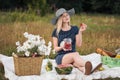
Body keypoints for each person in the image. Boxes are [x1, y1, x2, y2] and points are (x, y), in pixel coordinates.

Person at [51, 8, 101, 75]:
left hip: (73, 56)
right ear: (60, 19)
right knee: (75, 54)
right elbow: (56, 49)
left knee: (75, 61)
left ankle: (84, 70)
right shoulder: (56, 32)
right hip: (62, 57)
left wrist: (80, 32)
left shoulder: (75, 29)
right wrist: (62, 47)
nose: (66, 17)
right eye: (64, 16)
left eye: (67, 15)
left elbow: (79, 44)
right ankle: (90, 65)